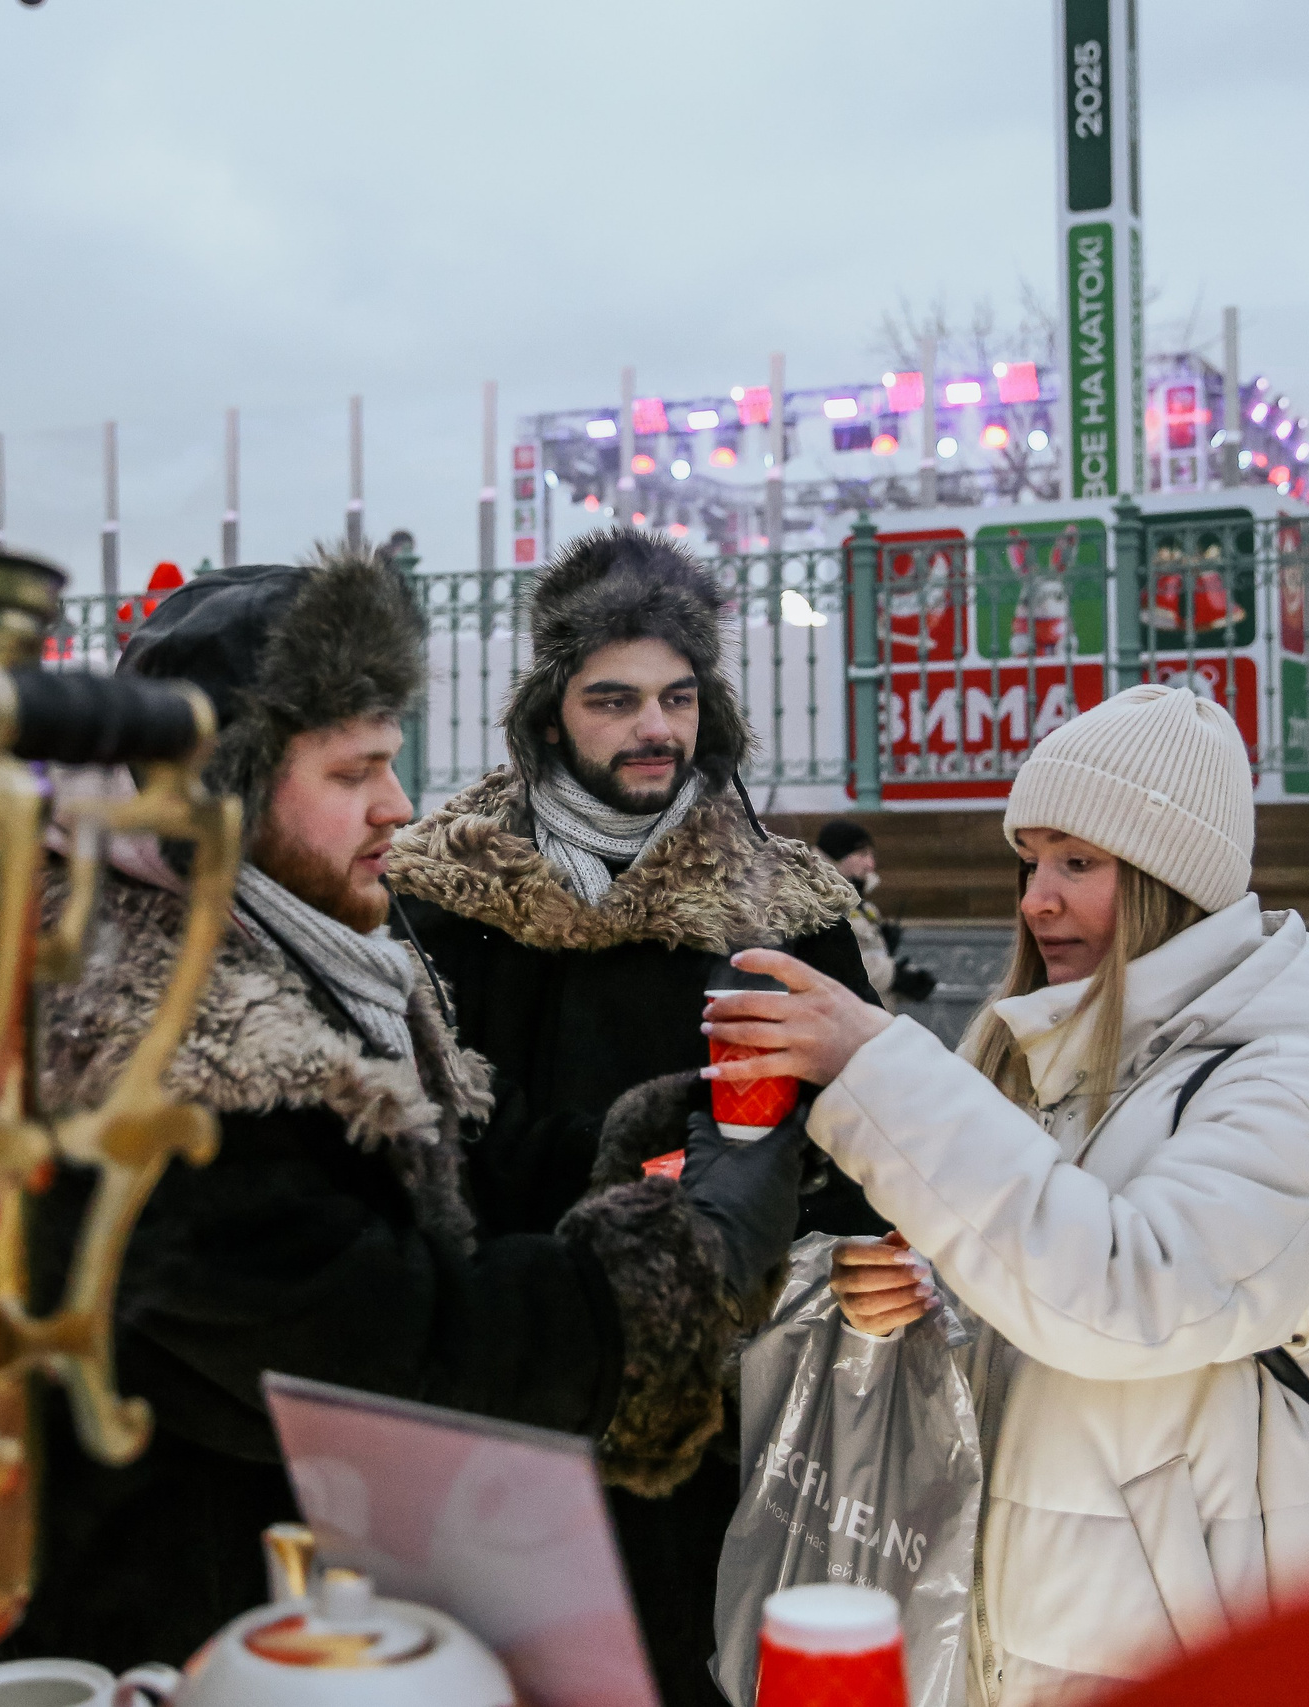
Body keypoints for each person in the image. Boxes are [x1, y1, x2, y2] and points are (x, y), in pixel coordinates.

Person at [2, 547, 813, 1673]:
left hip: (321, 1591)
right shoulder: (137, 1048)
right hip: (197, 1628)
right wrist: (660, 1278)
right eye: (352, 774)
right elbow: (387, 1342)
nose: (396, 804)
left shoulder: (291, 944)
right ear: (219, 794)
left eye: (394, 763)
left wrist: (644, 1151)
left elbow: (448, 1152)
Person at [703, 684, 1309, 1705]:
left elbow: (1131, 1296)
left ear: (1170, 877)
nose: (1036, 898)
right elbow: (1032, 1277)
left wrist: (881, 1067)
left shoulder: (1285, 1074)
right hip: (1035, 1617)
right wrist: (915, 1293)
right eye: (1029, 860)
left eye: (1079, 862)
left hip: (1206, 1626)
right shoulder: (1051, 1051)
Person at [388, 527, 885, 1707]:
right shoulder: (441, 896)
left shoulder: (787, 908)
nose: (653, 728)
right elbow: (414, 1136)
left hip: (724, 1408)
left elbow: (865, 1140)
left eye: (676, 696)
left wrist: (853, 1234)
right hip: (508, 1385)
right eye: (612, 699)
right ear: (551, 713)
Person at [814, 818, 938, 1010]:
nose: (870, 864)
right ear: (839, 856)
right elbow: (835, 964)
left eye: (872, 855)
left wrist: (886, 950)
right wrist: (895, 977)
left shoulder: (863, 907)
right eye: (862, 854)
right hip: (842, 1024)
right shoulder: (820, 902)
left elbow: (865, 960)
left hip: (866, 1019)